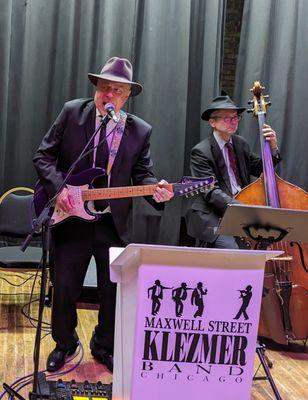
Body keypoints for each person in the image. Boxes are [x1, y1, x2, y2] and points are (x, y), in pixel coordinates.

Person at [33, 57, 174, 373]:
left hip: (112, 222)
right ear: (96, 88)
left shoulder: (139, 131)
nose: (110, 95)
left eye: (118, 90)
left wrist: (156, 189)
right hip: (70, 218)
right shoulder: (73, 113)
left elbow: (143, 173)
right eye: (105, 88)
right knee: (65, 287)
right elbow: (43, 156)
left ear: (127, 96)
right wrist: (61, 190)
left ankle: (103, 345)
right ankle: (64, 344)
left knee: (112, 292)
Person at [186, 94, 281, 249]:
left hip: (241, 210)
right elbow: (211, 193)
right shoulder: (200, 152)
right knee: (233, 249)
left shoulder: (240, 143)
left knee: (267, 243)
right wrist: (243, 209)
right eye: (226, 118)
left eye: (236, 117)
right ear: (212, 122)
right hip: (213, 214)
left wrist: (273, 148)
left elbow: (260, 169)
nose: (233, 121)